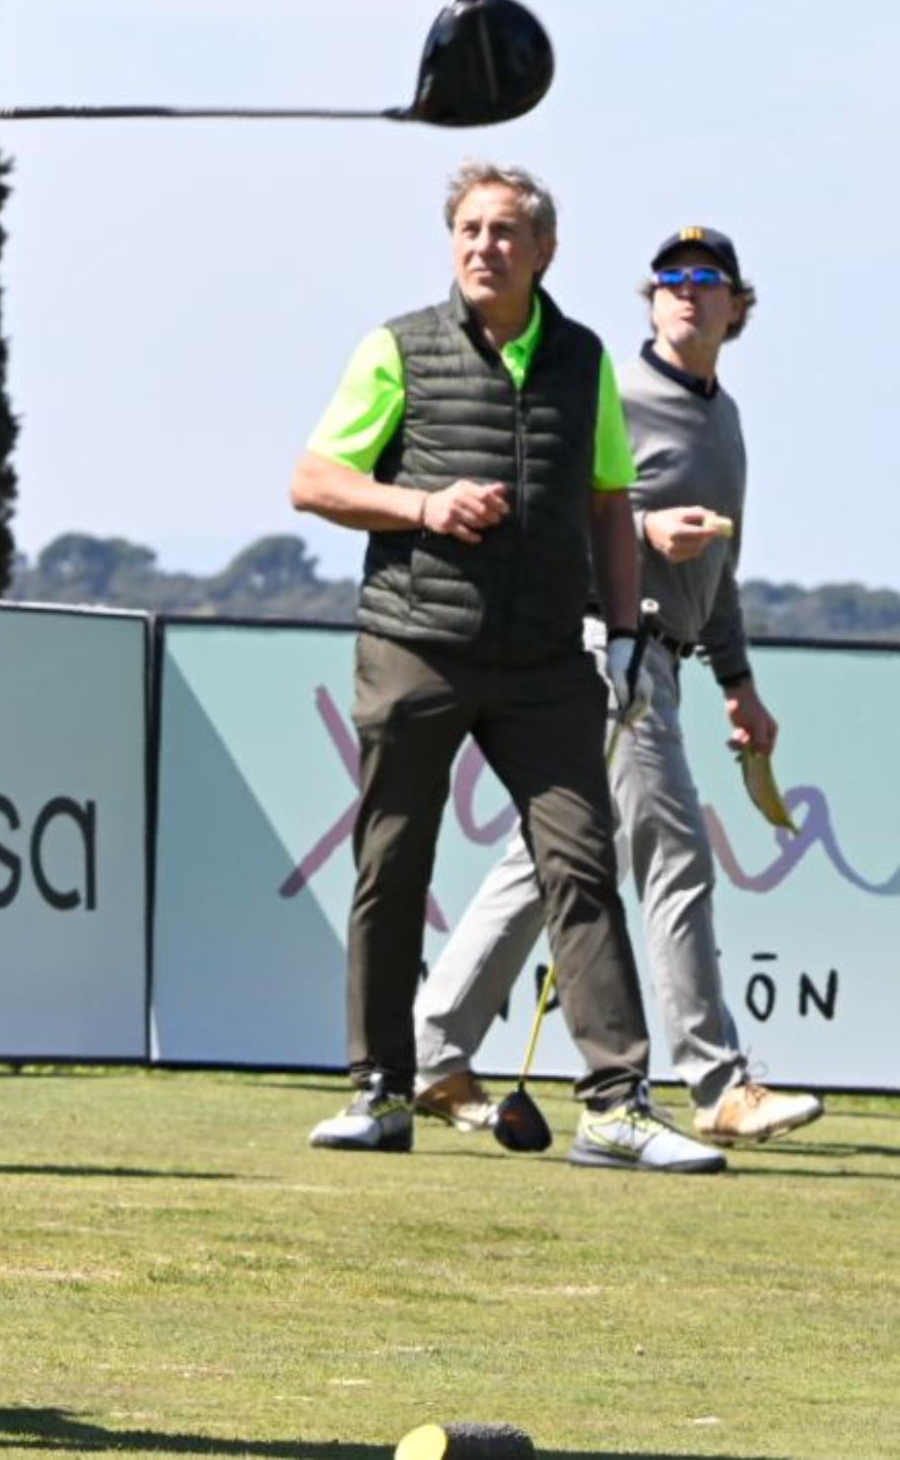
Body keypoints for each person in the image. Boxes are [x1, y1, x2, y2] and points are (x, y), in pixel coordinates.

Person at [288, 161, 724, 1173]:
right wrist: (423, 506)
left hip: (546, 660)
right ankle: (381, 1090)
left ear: (543, 251)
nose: (484, 245)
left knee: (582, 863)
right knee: (392, 866)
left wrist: (626, 634)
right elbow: (314, 479)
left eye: (504, 231)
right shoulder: (398, 346)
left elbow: (610, 501)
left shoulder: (585, 359)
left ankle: (616, 1104)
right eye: (469, 229)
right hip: (415, 645)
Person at [413, 226, 824, 1147]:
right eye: (669, 278)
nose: (685, 290)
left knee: (545, 861)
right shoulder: (619, 391)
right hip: (609, 650)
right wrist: (645, 530)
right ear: (654, 297)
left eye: (705, 278)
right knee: (676, 857)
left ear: (735, 306)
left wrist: (739, 681)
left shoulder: (725, 417)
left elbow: (720, 569)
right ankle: (717, 1082)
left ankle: (432, 1047)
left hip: (664, 658)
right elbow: (555, 505)